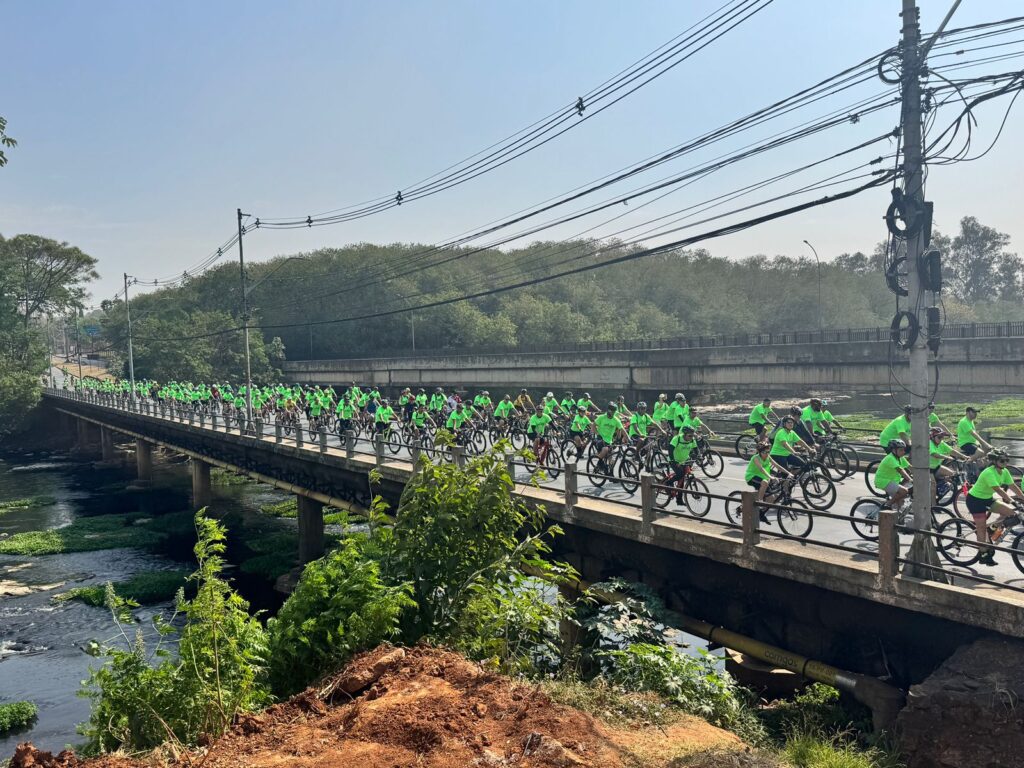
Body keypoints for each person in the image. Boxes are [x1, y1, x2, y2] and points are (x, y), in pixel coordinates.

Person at [965, 448, 1024, 566]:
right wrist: (1012, 500)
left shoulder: (1005, 471)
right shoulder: (988, 472)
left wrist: (1023, 497)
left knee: (1012, 513)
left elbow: (1013, 486)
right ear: (994, 461)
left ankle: (992, 528)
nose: (1005, 463)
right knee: (980, 528)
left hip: (987, 498)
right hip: (975, 501)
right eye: (1002, 461)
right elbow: (998, 490)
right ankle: (983, 555)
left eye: (1007, 460)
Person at [745, 441, 792, 521]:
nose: (767, 453)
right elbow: (761, 469)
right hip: (752, 477)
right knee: (765, 482)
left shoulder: (768, 457)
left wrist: (788, 473)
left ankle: (760, 513)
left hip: (763, 478)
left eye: (768, 451)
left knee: (771, 499)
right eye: (764, 452)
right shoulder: (756, 458)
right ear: (760, 452)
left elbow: (777, 465)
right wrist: (770, 477)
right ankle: (759, 502)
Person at [873, 439, 912, 511]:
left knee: (900, 502)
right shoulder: (890, 458)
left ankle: (897, 520)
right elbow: (900, 470)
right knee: (904, 491)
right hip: (883, 481)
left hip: (891, 481)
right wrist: (910, 480)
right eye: (901, 450)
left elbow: (910, 467)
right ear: (894, 450)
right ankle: (888, 504)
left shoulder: (900, 458)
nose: (903, 452)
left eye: (904, 450)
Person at [593, 402, 628, 471]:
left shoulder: (616, 419)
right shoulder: (602, 417)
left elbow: (622, 430)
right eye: (611, 410)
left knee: (611, 459)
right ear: (608, 410)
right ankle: (598, 463)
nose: (613, 412)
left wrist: (628, 439)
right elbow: (593, 425)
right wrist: (598, 434)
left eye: (614, 411)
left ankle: (610, 474)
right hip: (600, 440)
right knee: (605, 449)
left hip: (609, 441)